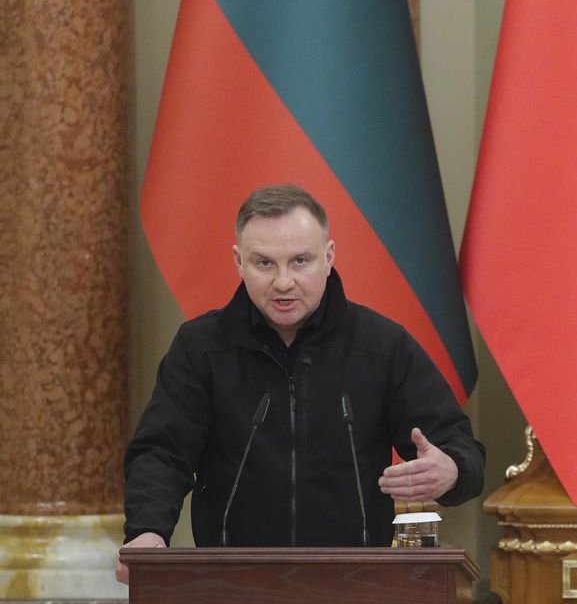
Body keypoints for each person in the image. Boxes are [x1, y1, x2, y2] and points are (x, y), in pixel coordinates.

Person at [117, 184, 484, 583]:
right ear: (239, 262)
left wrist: (450, 470)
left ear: (328, 259)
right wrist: (147, 531)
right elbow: (162, 453)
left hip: (355, 585)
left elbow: (461, 448)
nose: (283, 282)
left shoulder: (382, 347)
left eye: (300, 261)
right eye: (264, 264)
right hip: (231, 585)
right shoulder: (201, 347)